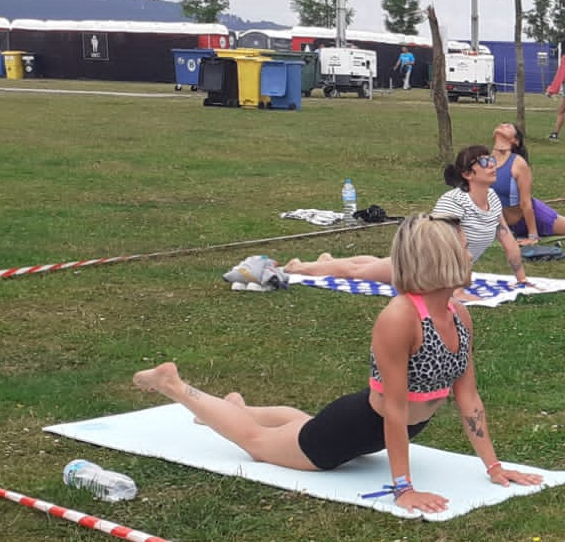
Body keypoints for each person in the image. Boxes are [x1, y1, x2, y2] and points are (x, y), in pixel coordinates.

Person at [135, 215, 544, 515]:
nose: (470, 255)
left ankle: (235, 407)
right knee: (257, 443)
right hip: (351, 430)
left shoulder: (458, 314)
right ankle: (175, 386)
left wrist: (493, 466)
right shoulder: (400, 318)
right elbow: (396, 409)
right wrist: (402, 487)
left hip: (370, 426)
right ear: (438, 262)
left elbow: (468, 396)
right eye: (461, 250)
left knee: (298, 424)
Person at [283, 146, 529, 290]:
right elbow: (452, 249)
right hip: (419, 265)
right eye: (484, 161)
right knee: (354, 272)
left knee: (374, 264)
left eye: (491, 160)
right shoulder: (453, 201)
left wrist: (522, 281)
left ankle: (327, 260)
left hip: (436, 270)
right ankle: (300, 267)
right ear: (467, 174)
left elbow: (508, 240)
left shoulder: (493, 200)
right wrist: (456, 290)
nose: (492, 165)